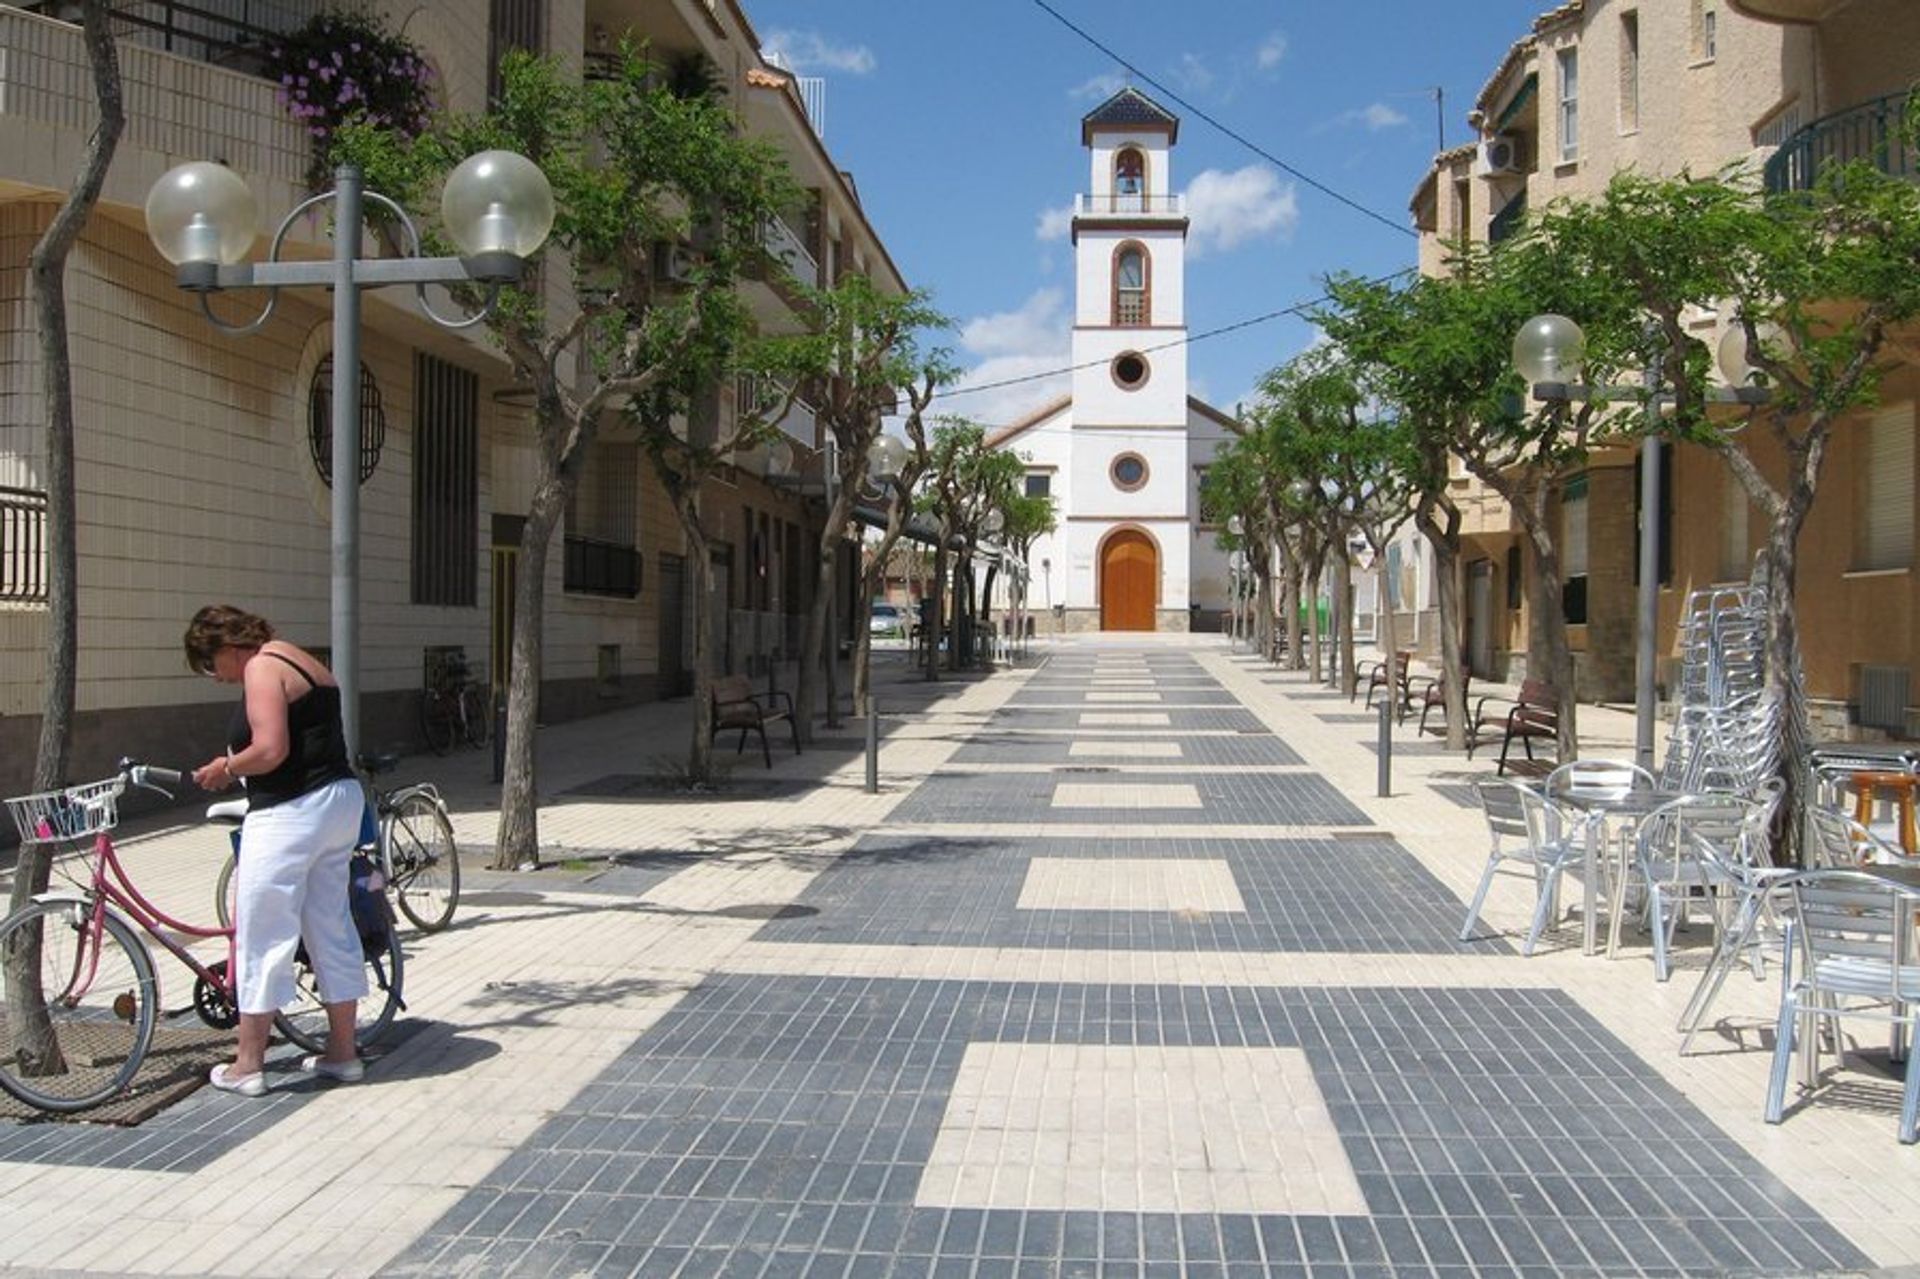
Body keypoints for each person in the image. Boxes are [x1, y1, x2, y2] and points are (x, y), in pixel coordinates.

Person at [185, 604, 367, 1096]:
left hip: (290, 810)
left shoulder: (262, 666)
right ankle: (343, 1053)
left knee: (263, 934)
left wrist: (226, 766)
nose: (217, 677)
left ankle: (247, 1064)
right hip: (338, 802)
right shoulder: (303, 660)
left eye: (211, 664)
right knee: (330, 926)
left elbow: (270, 749)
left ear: (227, 647)